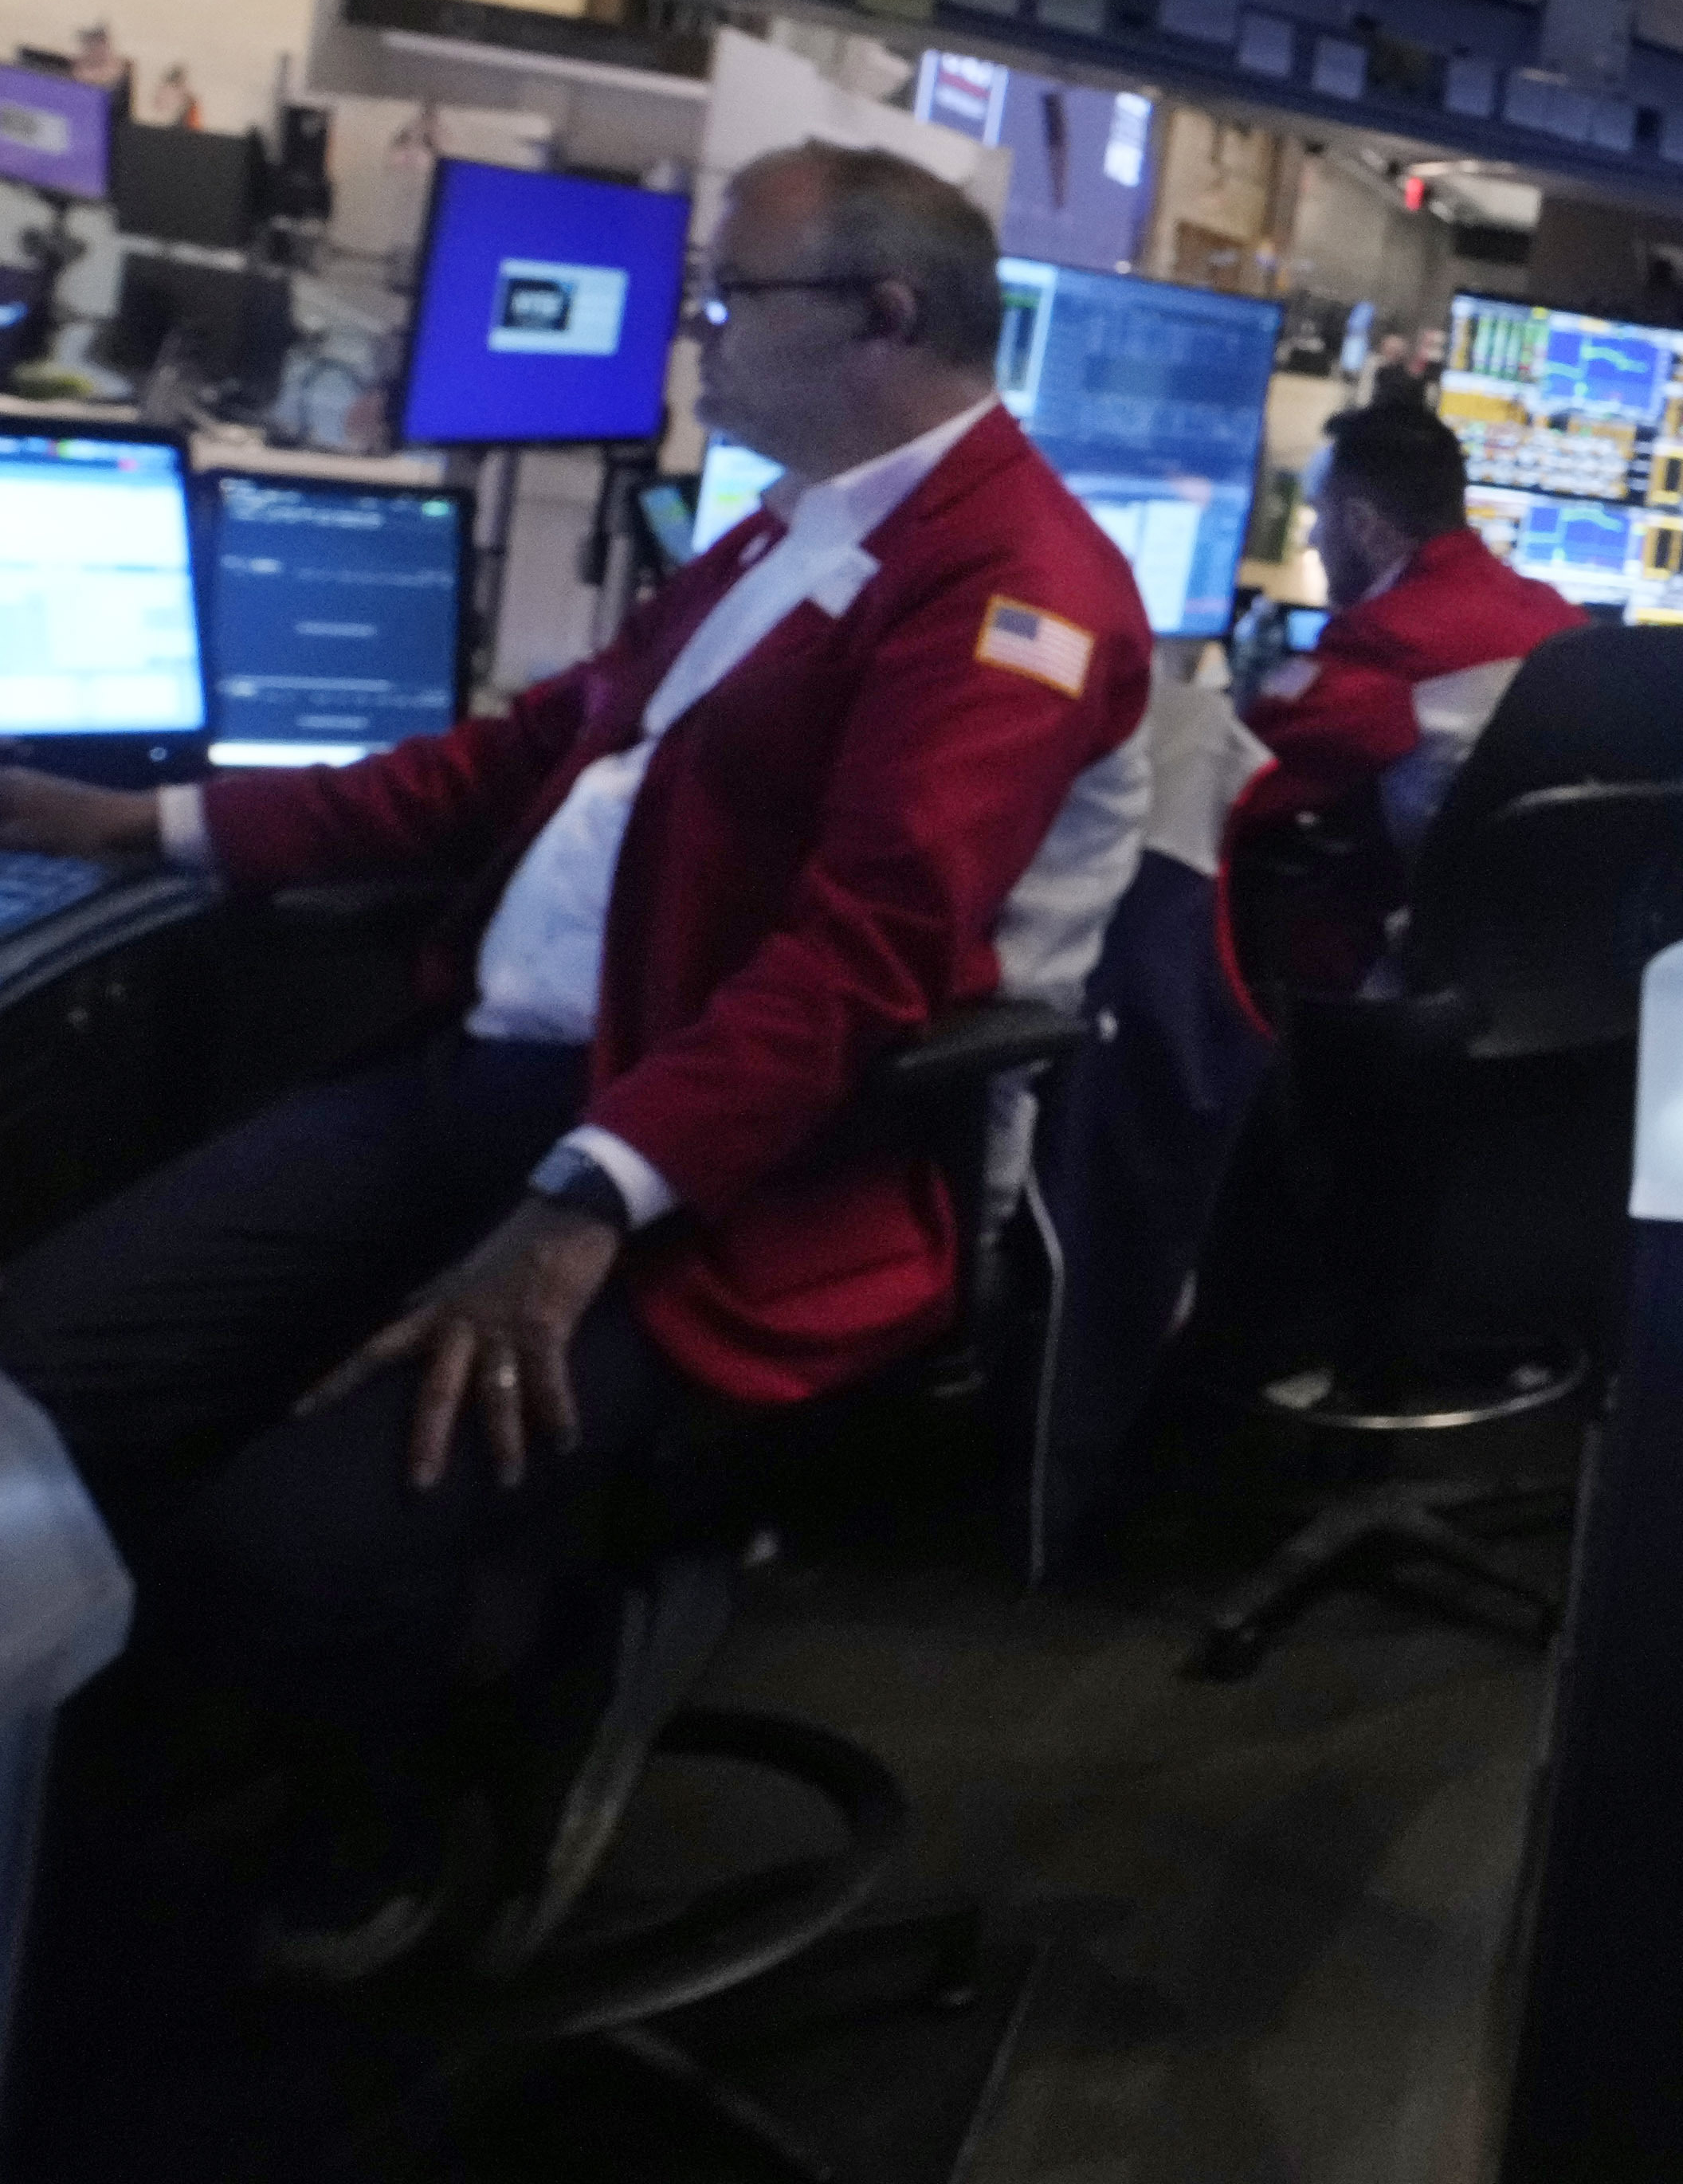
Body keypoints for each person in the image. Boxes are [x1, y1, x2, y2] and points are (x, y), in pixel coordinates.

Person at [0, 143, 1153, 1974]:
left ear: (880, 314)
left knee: (289, 1536)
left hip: (736, 1179)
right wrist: (138, 821)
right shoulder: (786, 528)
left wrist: (581, 1196)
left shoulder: (1015, 581)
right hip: (510, 1089)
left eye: (729, 297)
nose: (694, 336)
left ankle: (391, 1850)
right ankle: (164, 1796)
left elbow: (861, 956)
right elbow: (515, 759)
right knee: (38, 1382)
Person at [1226, 399, 1584, 1001]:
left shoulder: (1384, 641)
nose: (1313, 538)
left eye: (1319, 514)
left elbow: (1246, 777)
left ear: (1362, 525)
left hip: (1409, 980)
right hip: (1558, 980)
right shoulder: (1559, 617)